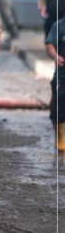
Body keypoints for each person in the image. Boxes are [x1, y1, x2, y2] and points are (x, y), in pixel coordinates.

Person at [45, 17, 65, 153]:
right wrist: (55, 56)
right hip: (62, 76)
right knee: (58, 109)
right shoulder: (59, 26)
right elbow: (50, 44)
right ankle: (59, 135)